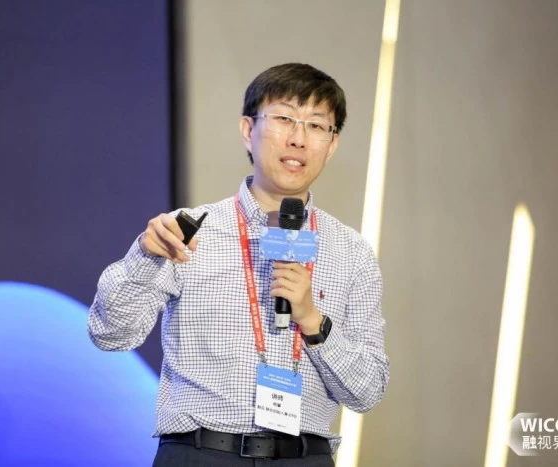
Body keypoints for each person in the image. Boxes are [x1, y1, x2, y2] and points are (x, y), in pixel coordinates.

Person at [88, 63, 389, 467]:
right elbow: (110, 334)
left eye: (317, 126)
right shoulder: (185, 231)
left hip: (304, 458)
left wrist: (313, 321)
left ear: (331, 144)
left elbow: (368, 391)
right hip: (202, 454)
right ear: (249, 129)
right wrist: (144, 256)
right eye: (284, 119)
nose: (298, 139)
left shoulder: (351, 252)